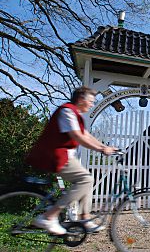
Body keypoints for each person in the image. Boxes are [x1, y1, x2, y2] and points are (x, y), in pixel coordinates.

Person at [26, 86, 116, 235]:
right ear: (81, 99)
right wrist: (100, 150)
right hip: (56, 155)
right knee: (85, 180)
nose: (92, 104)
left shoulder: (75, 114)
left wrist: (105, 147)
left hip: (64, 155)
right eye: (91, 101)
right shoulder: (67, 111)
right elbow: (77, 136)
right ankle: (49, 216)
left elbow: (86, 135)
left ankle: (84, 219)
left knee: (87, 180)